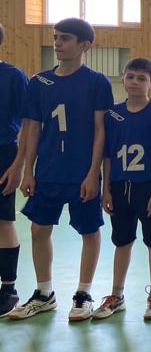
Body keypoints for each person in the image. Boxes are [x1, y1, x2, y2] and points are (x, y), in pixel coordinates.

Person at [9, 18, 113, 321]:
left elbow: (100, 131)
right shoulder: (39, 82)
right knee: (38, 229)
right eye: (56, 37)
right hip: (48, 171)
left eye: (65, 38)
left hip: (81, 172)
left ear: (85, 45)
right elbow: (32, 128)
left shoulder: (97, 82)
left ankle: (83, 294)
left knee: (89, 230)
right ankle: (44, 293)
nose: (57, 43)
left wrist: (93, 173)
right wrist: (29, 171)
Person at [93, 58, 151, 321]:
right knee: (122, 241)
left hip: (148, 187)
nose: (135, 82)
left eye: (142, 78)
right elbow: (107, 155)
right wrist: (106, 190)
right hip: (119, 186)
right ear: (123, 80)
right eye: (131, 77)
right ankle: (116, 295)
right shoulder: (112, 115)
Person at [0, 22, 29, 317]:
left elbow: (29, 123)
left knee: (3, 219)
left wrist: (19, 164)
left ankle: (8, 288)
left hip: (3, 152)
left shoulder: (13, 77)